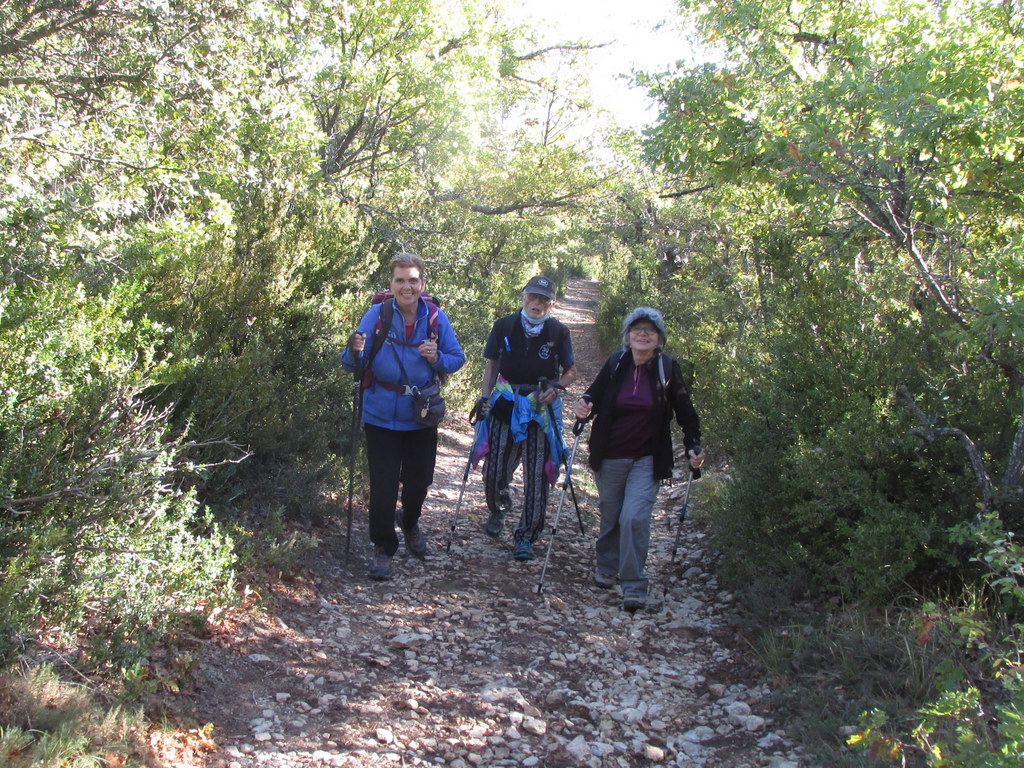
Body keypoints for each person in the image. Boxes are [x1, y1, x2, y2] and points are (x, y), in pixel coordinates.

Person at [341, 253, 465, 581]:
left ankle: (409, 522)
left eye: (412, 280)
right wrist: (354, 350)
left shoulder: (436, 317)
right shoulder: (376, 315)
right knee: (382, 485)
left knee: (418, 483)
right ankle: (383, 548)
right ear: (391, 284)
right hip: (380, 412)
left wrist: (437, 357)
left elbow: (457, 358)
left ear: (422, 284)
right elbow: (350, 362)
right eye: (400, 280)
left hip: (421, 414)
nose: (406, 286)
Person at [572, 306, 704, 611]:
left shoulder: (668, 369)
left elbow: (686, 413)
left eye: (650, 330)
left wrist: (694, 445)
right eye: (637, 329)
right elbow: (593, 396)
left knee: (634, 518)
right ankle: (607, 566)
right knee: (611, 515)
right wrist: (584, 406)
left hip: (647, 458)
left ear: (659, 339)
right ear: (627, 336)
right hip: (610, 455)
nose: (643, 334)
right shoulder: (616, 363)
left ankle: (633, 584)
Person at [478, 275, 577, 561]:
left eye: (543, 299)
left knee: (535, 474)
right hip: (505, 402)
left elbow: (570, 371)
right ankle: (497, 508)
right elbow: (492, 366)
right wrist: (485, 398)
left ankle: (526, 537)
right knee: (494, 469)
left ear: (552, 303)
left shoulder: (558, 332)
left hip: (540, 407)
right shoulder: (504, 326)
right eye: (532, 297)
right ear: (523, 298)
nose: (537, 303)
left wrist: (558, 388)